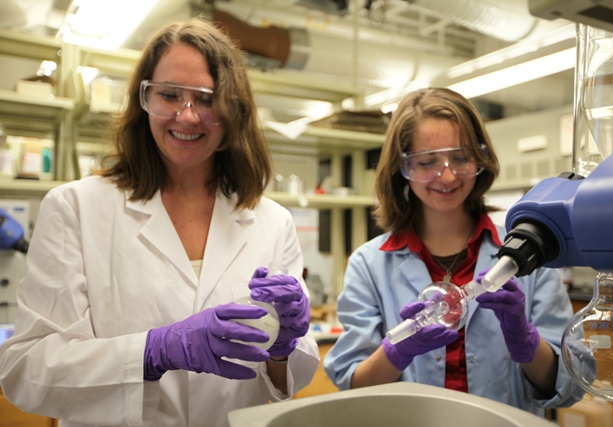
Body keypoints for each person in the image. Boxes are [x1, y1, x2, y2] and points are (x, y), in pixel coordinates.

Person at [0, 18, 319, 427]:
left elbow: (283, 381)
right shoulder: (76, 208)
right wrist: (153, 351)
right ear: (143, 100)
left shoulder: (272, 221)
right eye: (169, 95)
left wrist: (282, 346)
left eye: (206, 100)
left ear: (234, 110)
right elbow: (26, 368)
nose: (187, 117)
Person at [323, 87, 583, 417]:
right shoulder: (370, 263)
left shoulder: (530, 254)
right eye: (426, 162)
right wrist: (396, 352)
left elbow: (569, 387)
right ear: (402, 168)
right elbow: (353, 389)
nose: (446, 175)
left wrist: (527, 342)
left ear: (481, 157)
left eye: (460, 158)